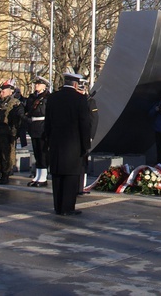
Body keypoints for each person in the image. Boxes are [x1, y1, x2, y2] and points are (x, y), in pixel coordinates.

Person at [43, 73, 91, 216]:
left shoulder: (53, 98)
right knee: (71, 178)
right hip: (73, 145)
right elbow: (84, 124)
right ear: (76, 84)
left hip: (56, 144)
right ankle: (67, 207)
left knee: (57, 176)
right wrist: (85, 145)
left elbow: (48, 122)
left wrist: (48, 140)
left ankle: (58, 206)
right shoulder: (80, 99)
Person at [0, 82, 24, 185]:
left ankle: (6, 174)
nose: (1, 93)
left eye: (3, 91)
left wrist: (15, 132)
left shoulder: (15, 103)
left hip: (7, 133)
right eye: (0, 91)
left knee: (6, 155)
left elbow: (18, 118)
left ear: (10, 92)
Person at [25, 77, 50, 187]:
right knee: (36, 152)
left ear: (44, 86)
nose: (36, 86)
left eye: (39, 84)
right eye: (36, 84)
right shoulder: (32, 97)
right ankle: (38, 176)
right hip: (34, 126)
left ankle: (43, 177)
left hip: (42, 126)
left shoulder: (47, 97)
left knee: (42, 153)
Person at [78, 80, 98, 195]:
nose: (80, 92)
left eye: (81, 89)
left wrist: (91, 135)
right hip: (75, 136)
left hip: (85, 135)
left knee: (83, 160)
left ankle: (82, 185)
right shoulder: (76, 102)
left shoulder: (90, 102)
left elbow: (94, 120)